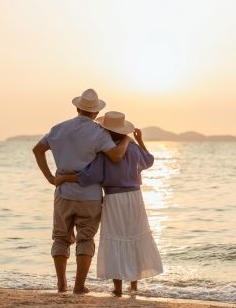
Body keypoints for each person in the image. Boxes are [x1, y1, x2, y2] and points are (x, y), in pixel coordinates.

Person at [32, 89, 131, 294]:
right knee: (85, 239)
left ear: (77, 108)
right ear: (96, 113)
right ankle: (79, 286)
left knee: (60, 238)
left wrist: (51, 178)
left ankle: (61, 285)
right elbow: (115, 157)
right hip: (90, 195)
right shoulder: (99, 132)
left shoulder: (58, 128)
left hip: (63, 192)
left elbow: (38, 149)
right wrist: (126, 140)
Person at [56, 111, 163, 297]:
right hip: (135, 198)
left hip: (114, 199)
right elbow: (149, 161)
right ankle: (134, 286)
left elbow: (90, 176)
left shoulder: (105, 152)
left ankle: (118, 289)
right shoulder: (134, 148)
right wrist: (139, 140)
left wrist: (65, 177)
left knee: (116, 238)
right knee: (134, 236)